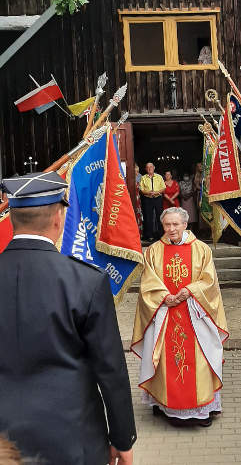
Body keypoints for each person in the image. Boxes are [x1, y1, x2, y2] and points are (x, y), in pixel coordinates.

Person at [0, 172, 136, 465]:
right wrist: (123, 438)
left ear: (12, 221)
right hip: (72, 440)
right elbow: (111, 370)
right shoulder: (86, 281)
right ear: (58, 220)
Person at [131, 207, 228, 427]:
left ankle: (201, 409)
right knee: (165, 360)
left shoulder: (201, 249)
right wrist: (164, 296)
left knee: (200, 360)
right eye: (167, 225)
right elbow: (148, 282)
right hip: (165, 312)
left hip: (194, 313)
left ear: (185, 224)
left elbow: (209, 281)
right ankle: (166, 405)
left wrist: (190, 290)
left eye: (176, 224)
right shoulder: (154, 251)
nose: (171, 229)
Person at [140, 162, 166, 241]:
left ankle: (161, 235)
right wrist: (148, 193)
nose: (149, 168)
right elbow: (141, 189)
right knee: (148, 217)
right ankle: (149, 235)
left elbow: (163, 188)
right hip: (147, 199)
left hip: (157, 198)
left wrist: (156, 192)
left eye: (151, 167)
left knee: (160, 216)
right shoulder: (143, 178)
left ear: (154, 167)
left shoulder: (159, 177)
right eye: (147, 167)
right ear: (146, 169)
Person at [134, 163, 143, 233]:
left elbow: (142, 188)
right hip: (132, 197)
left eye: (137, 171)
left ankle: (140, 232)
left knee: (138, 213)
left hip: (138, 197)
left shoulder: (140, 176)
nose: (137, 173)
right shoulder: (129, 177)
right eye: (135, 171)